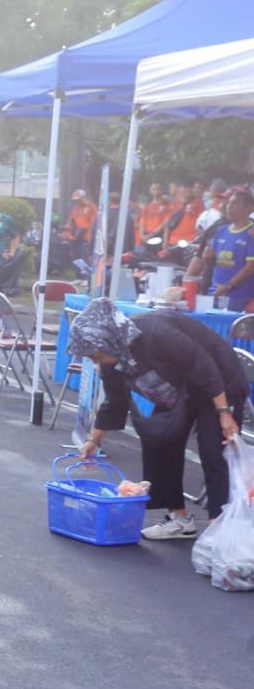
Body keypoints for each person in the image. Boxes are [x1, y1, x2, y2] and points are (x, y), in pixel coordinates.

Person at [72, 299, 246, 539]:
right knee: (158, 439)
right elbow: (115, 401)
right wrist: (94, 441)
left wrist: (224, 413)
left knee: (213, 448)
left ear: (109, 340)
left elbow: (204, 367)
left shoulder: (155, 333)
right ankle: (180, 518)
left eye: (95, 354)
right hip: (179, 388)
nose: (95, 361)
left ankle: (220, 527)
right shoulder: (111, 359)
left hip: (218, 381)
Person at [196, 189, 254, 312]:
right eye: (229, 203)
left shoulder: (251, 233)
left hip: (238, 296)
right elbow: (214, 260)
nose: (229, 207)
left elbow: (251, 266)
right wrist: (209, 257)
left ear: (249, 208)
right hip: (214, 291)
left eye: (235, 204)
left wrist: (228, 285)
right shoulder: (221, 230)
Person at [62, 189, 97, 277]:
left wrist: (85, 229)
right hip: (74, 237)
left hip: (85, 236)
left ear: (83, 197)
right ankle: (78, 276)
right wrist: (69, 228)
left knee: (84, 257)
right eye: (75, 200)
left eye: (78, 199)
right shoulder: (75, 209)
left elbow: (95, 221)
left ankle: (86, 277)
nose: (77, 201)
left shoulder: (91, 207)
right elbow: (70, 221)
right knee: (75, 258)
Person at [137, 182, 172, 254]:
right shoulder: (147, 206)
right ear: (150, 190)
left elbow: (165, 223)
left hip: (158, 236)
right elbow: (142, 221)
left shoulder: (167, 205)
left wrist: (152, 234)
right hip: (146, 236)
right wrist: (142, 235)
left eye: (158, 189)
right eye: (154, 189)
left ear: (162, 190)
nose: (156, 191)